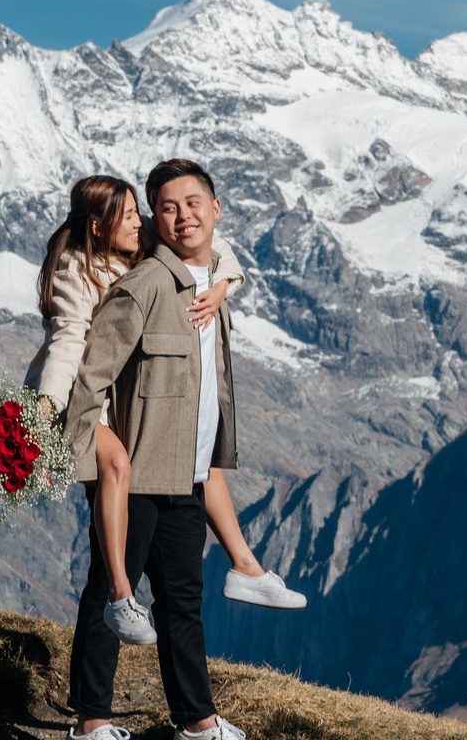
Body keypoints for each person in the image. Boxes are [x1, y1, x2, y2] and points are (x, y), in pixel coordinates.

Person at [57, 159, 278, 740]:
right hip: (137, 471)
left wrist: (225, 284)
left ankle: (196, 724)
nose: (183, 216)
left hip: (187, 471)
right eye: (168, 208)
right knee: (110, 592)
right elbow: (90, 373)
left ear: (215, 208)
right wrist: (78, 455)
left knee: (184, 600)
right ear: (156, 217)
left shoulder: (210, 284)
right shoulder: (145, 286)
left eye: (193, 203)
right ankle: (88, 728)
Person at [27, 177, 307, 651]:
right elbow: (69, 344)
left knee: (199, 459)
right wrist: (46, 408)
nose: (140, 222)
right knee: (118, 466)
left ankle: (245, 566)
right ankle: (120, 594)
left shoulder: (141, 243)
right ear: (97, 227)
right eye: (128, 216)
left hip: (120, 397)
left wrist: (222, 287)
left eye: (138, 212)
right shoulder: (77, 270)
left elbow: (217, 249)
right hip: (76, 396)